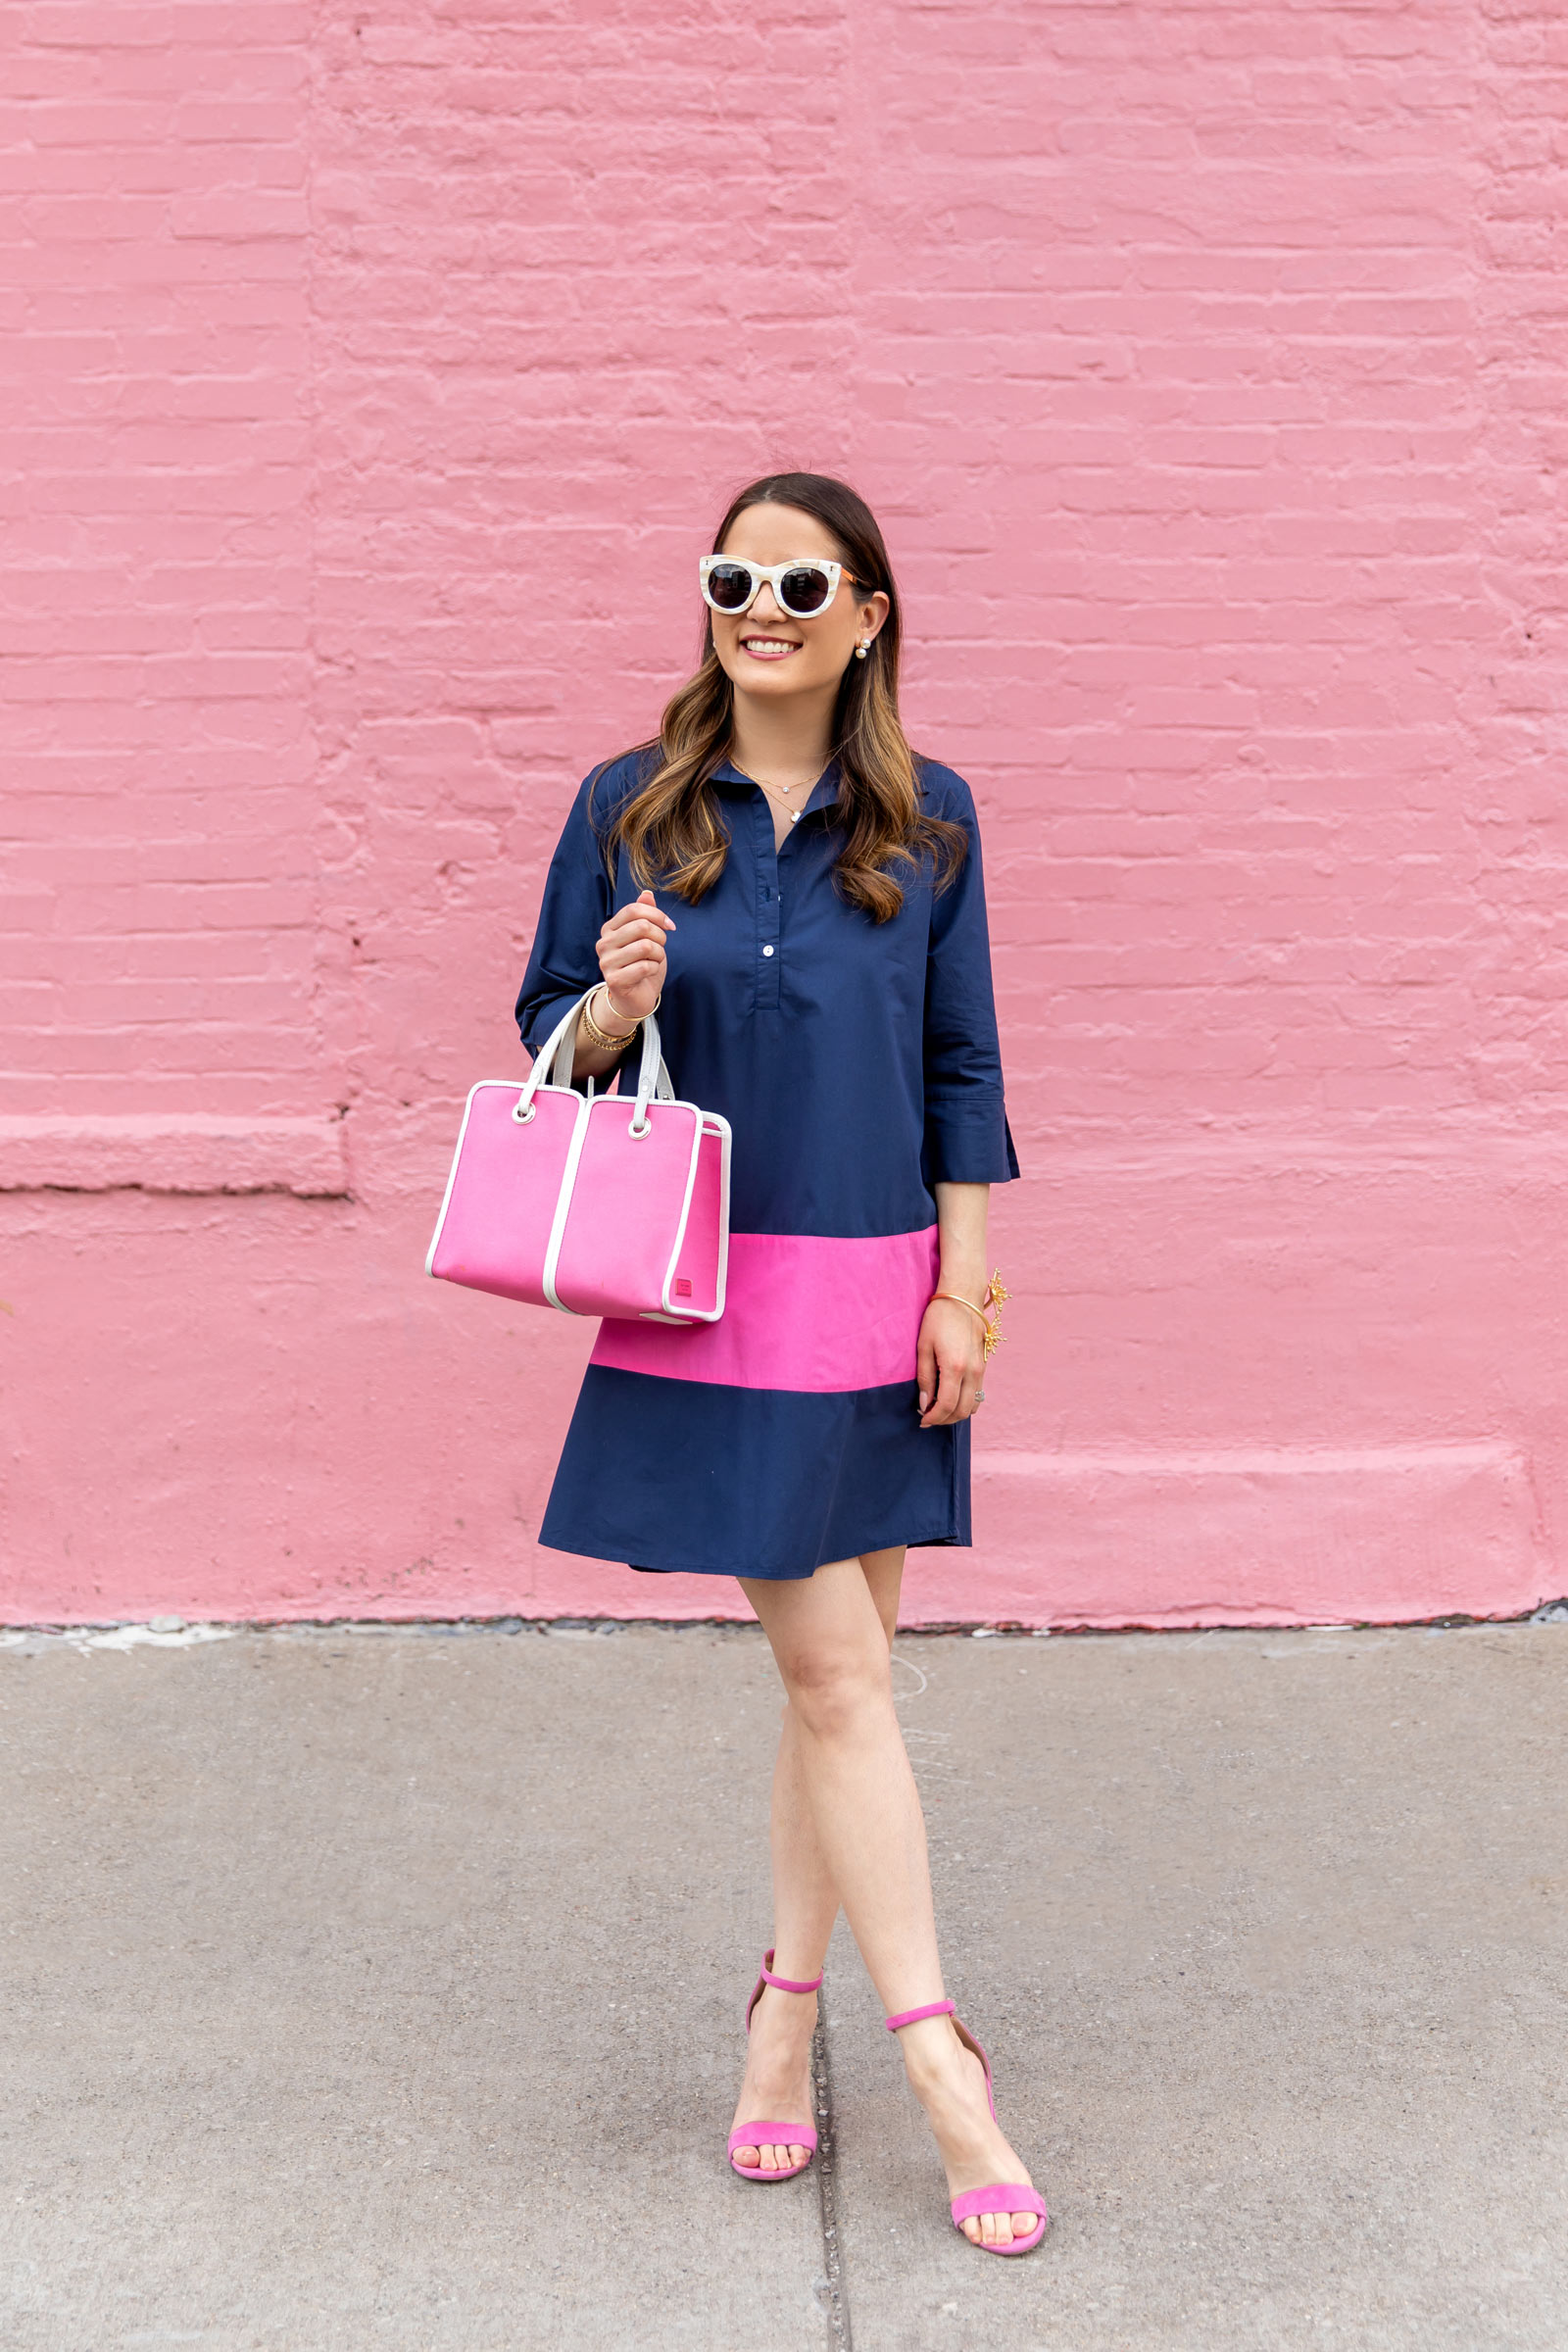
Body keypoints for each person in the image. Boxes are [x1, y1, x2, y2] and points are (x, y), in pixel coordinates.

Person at [514, 472, 1046, 2255]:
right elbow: (547, 1039)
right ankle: (941, 2063)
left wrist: (967, 1294)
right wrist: (612, 1001)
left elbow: (962, 1071)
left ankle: (782, 2014)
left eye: (802, 583)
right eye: (734, 576)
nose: (763, 606)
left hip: (886, 1295)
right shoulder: (631, 804)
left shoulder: (932, 815)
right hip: (714, 1298)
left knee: (847, 1688)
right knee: (839, 1681)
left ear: (867, 613)